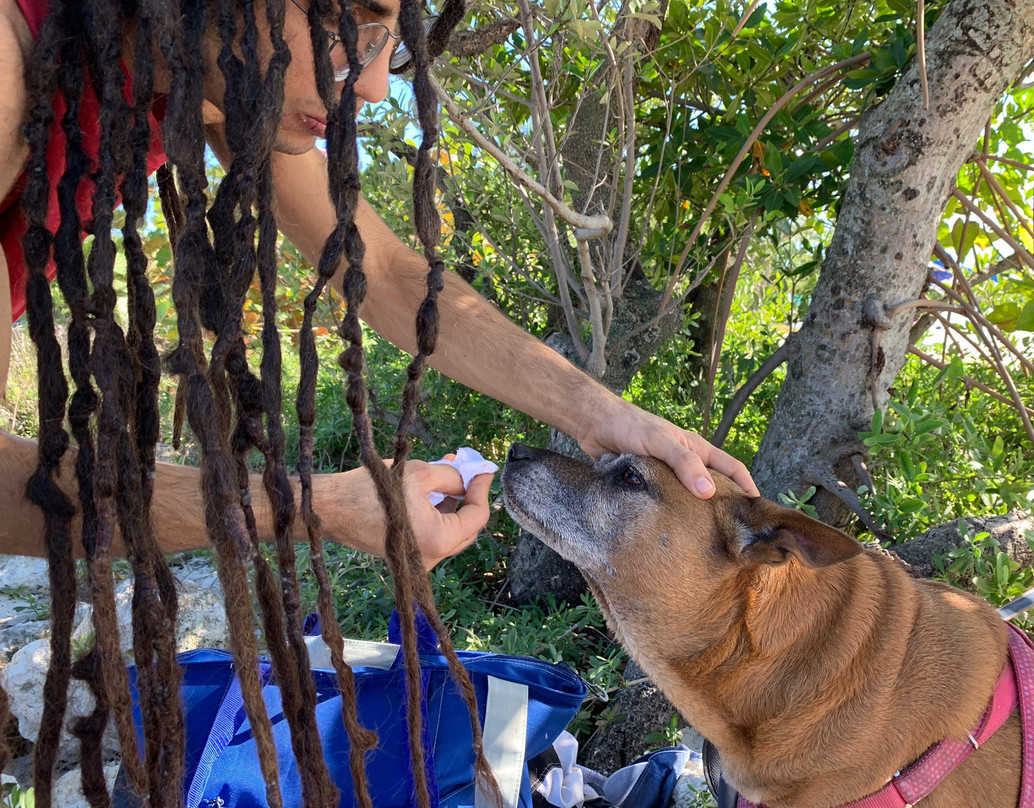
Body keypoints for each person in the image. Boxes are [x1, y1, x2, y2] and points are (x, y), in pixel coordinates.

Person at [0, 0, 757, 572]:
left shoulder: (203, 81)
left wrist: (601, 415)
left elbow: (387, 273)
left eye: (386, 43)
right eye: (349, 19)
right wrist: (314, 506)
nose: (369, 86)